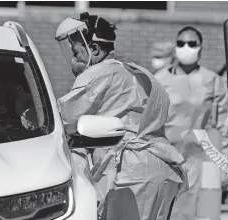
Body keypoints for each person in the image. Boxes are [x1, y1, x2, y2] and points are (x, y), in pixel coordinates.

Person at [55, 12, 184, 220]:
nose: (73, 58)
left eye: (76, 52)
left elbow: (65, 120)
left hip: (128, 176)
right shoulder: (130, 69)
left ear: (94, 49)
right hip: (162, 168)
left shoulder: (96, 73)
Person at [154, 26, 228, 220]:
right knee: (169, 211)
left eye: (192, 43)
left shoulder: (212, 80)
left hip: (203, 160)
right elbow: (150, 123)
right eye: (181, 43)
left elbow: (224, 125)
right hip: (168, 159)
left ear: (201, 48)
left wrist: (225, 165)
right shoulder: (159, 80)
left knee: (204, 213)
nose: (186, 47)